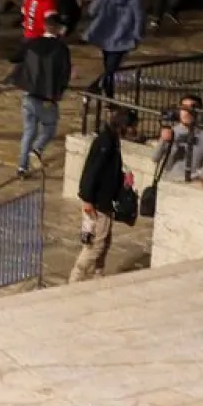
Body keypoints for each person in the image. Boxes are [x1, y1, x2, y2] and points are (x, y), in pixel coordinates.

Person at [70, 106, 132, 284]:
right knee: (95, 244)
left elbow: (107, 172)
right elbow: (92, 171)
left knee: (104, 241)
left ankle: (97, 276)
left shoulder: (112, 141)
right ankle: (76, 279)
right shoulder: (106, 142)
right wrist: (88, 199)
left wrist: (122, 179)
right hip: (97, 203)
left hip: (103, 202)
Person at [13, 11, 72, 176]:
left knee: (28, 131)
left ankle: (22, 167)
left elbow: (14, 57)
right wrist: (59, 91)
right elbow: (64, 73)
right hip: (47, 96)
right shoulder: (61, 48)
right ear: (59, 28)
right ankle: (37, 150)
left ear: (44, 26)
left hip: (29, 93)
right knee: (49, 129)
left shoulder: (32, 43)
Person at [83, 0, 145, 97]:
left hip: (104, 37)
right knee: (111, 70)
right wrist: (137, 38)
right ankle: (101, 91)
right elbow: (139, 21)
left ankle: (106, 95)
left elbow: (91, 11)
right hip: (123, 39)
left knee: (109, 68)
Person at [155, 101, 203, 180]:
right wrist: (163, 140)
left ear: (198, 112)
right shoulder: (171, 132)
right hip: (170, 182)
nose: (187, 112)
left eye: (192, 108)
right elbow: (155, 159)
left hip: (193, 185)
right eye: (184, 108)